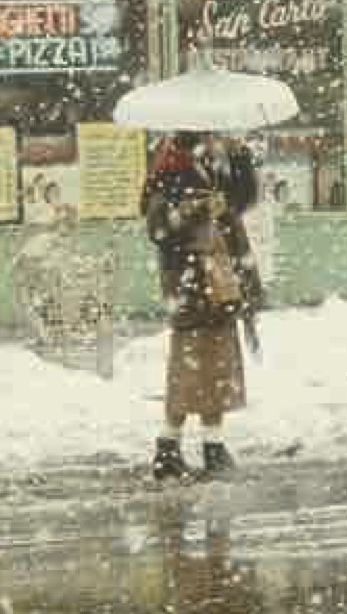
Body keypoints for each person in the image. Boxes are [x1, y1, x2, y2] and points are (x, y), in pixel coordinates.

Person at [141, 130, 263, 482]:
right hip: (192, 286)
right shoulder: (167, 173)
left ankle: (212, 446)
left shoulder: (211, 166)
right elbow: (160, 228)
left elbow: (242, 199)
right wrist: (198, 209)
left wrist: (240, 157)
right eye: (210, 137)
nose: (215, 141)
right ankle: (168, 447)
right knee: (188, 370)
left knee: (217, 368)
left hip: (220, 285)